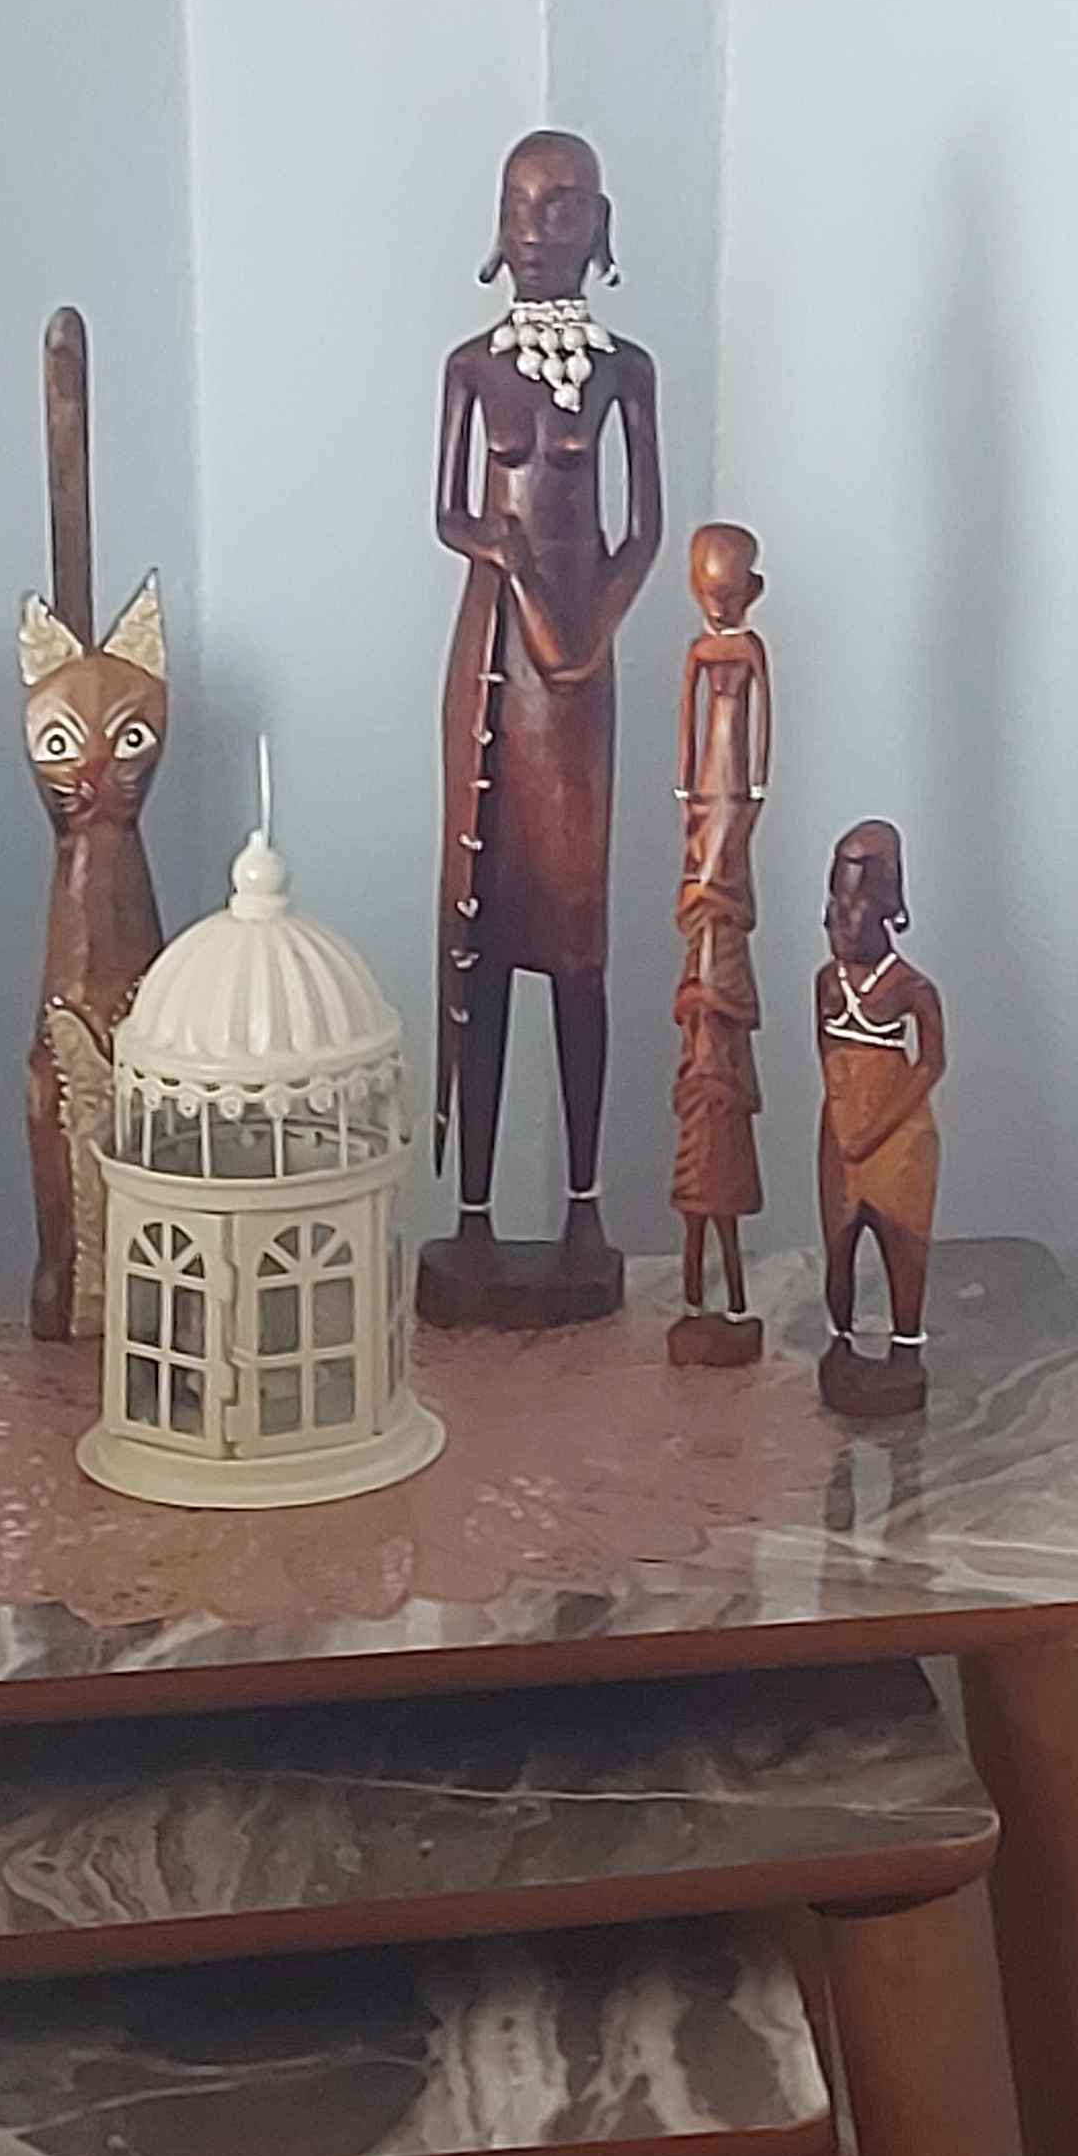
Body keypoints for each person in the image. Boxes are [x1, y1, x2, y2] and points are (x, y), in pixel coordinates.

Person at [428, 128, 664, 1324]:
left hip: (578, 676)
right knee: (485, 923)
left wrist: (590, 629)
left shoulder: (625, 371)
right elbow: (448, 511)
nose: (536, 229)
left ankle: (583, 1198)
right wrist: (512, 566)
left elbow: (645, 528)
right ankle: (470, 1207)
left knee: (577, 937)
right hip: (495, 661)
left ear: (599, 226)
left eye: (562, 206)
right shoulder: (474, 365)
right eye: (521, 205)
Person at [666, 523, 773, 1366]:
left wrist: (758, 783)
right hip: (707, 779)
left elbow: (759, 718)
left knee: (722, 863)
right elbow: (685, 718)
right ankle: (705, 1299)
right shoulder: (702, 651)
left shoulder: (746, 649)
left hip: (733, 778)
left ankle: (726, 1301)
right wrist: (682, 785)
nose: (719, 606)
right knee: (708, 865)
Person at [814, 817, 942, 1416]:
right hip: (841, 1136)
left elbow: (931, 1064)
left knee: (903, 1246)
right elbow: (825, 1051)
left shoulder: (913, 988)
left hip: (899, 1141)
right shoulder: (826, 981)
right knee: (838, 1243)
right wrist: (845, 1120)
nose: (839, 921)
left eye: (854, 909)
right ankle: (839, 1340)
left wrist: (877, 1126)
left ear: (888, 908)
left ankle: (905, 1347)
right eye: (834, 906)